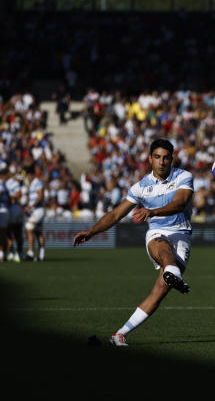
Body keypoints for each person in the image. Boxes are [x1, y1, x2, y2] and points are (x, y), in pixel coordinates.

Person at [72, 138, 194, 347]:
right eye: (157, 157)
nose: (162, 162)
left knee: (159, 293)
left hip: (181, 235)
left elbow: (180, 203)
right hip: (157, 233)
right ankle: (172, 270)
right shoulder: (140, 188)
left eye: (166, 158)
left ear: (172, 159)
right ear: (149, 159)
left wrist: (152, 211)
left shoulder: (184, 176)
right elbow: (115, 215)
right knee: (162, 247)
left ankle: (119, 334)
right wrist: (92, 232)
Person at [24, 165, 46, 261]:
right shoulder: (32, 184)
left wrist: (31, 206)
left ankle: (31, 253)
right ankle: (41, 255)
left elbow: (41, 196)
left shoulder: (37, 182)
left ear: (31, 174)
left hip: (38, 210)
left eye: (27, 175)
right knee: (38, 233)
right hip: (35, 210)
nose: (27, 178)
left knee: (29, 228)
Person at [5, 172, 24, 262]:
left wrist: (9, 197)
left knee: (14, 232)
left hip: (14, 209)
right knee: (10, 233)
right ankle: (14, 252)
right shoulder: (6, 183)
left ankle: (18, 253)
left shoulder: (12, 183)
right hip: (11, 209)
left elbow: (18, 194)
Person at [0, 162, 10, 262]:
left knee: (2, 233)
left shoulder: (2, 184)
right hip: (3, 210)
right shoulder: (2, 184)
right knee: (3, 233)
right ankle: (3, 254)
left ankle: (2, 253)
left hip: (2, 211)